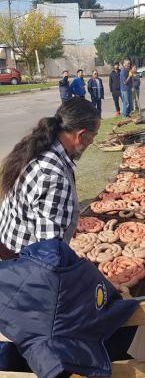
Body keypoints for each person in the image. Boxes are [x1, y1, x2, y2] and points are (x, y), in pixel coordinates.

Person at [0, 97, 100, 260]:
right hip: (23, 266)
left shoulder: (39, 148)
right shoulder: (53, 175)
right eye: (93, 136)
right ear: (81, 136)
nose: (93, 141)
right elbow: (49, 254)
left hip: (9, 249)